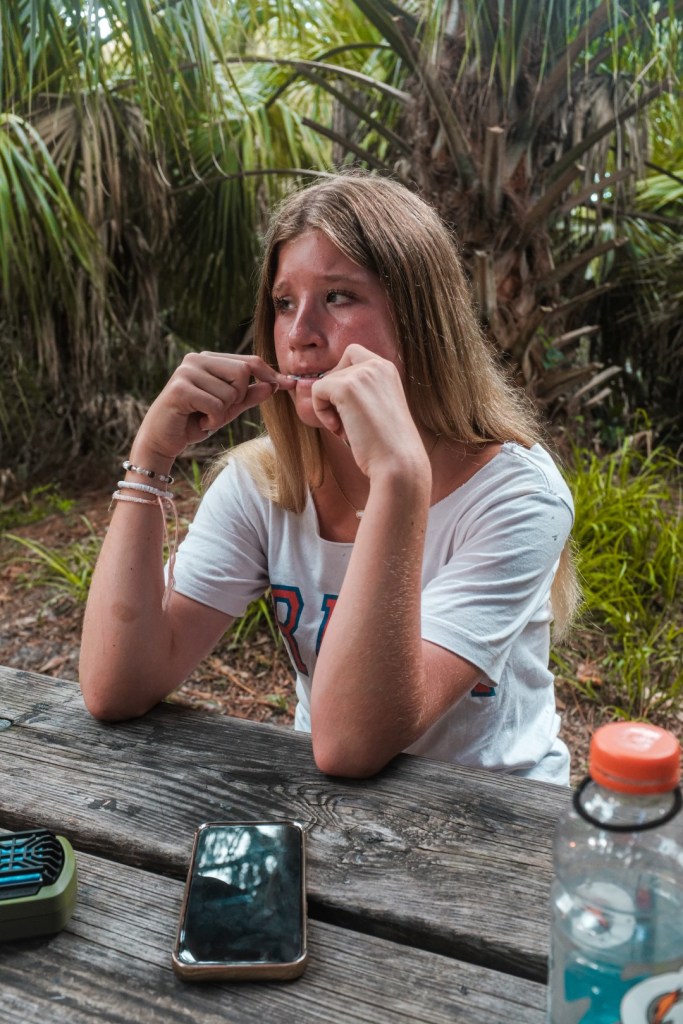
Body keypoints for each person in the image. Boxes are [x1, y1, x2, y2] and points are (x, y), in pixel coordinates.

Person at [79, 172, 578, 784]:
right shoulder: (263, 483)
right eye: (284, 303)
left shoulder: (518, 496)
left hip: (498, 812)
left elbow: (349, 743)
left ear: (421, 319)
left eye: (338, 296)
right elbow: (117, 685)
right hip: (327, 810)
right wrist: (151, 456)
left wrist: (397, 476)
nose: (299, 336)